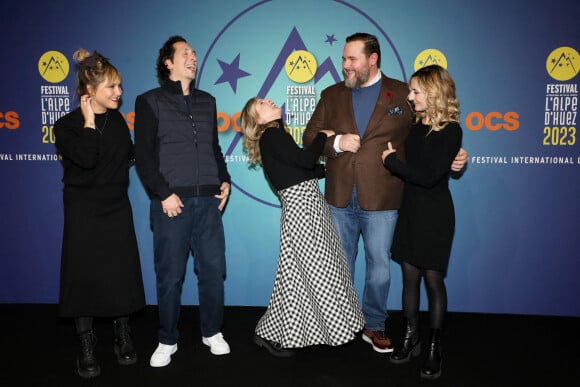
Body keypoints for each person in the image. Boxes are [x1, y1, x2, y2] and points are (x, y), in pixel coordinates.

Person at [303, 32, 468, 354]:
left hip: (385, 197)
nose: (345, 65)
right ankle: (338, 322)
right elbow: (310, 138)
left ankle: (374, 325)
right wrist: (335, 143)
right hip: (338, 196)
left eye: (352, 59)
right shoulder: (331, 93)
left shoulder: (405, 94)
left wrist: (455, 157)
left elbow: (431, 133)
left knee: (379, 268)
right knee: (338, 267)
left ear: (372, 59)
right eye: (344, 59)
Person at [240, 97, 365, 357]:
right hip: (303, 211)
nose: (270, 101)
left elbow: (300, 170)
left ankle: (273, 333)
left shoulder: (275, 136)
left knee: (296, 276)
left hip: (307, 207)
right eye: (262, 103)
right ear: (258, 120)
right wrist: (322, 136)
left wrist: (329, 169)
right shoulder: (272, 136)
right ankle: (278, 333)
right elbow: (306, 160)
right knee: (316, 271)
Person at [134, 35, 231, 368]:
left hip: (208, 202)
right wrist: (163, 193)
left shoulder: (208, 100)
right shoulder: (149, 101)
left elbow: (214, 149)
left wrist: (225, 180)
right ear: (168, 63)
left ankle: (211, 332)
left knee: (214, 271)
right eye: (185, 53)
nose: (193, 57)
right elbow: (143, 157)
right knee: (170, 276)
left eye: (194, 53)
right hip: (171, 205)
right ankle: (167, 339)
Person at [54, 49, 145, 379]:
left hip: (116, 207)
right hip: (84, 211)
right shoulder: (65, 126)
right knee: (84, 277)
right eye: (111, 87)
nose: (119, 92)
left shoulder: (118, 119)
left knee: (119, 273)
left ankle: (123, 335)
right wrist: (90, 124)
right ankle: (87, 344)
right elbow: (87, 159)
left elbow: (130, 155)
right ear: (89, 91)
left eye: (119, 85)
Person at [381, 65, 462, 379]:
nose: (410, 97)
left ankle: (433, 347)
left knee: (433, 280)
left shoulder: (452, 130)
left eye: (415, 91)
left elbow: (429, 177)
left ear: (433, 92)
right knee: (409, 277)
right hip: (410, 210)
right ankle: (410, 336)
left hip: (436, 214)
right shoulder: (414, 126)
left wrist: (392, 164)